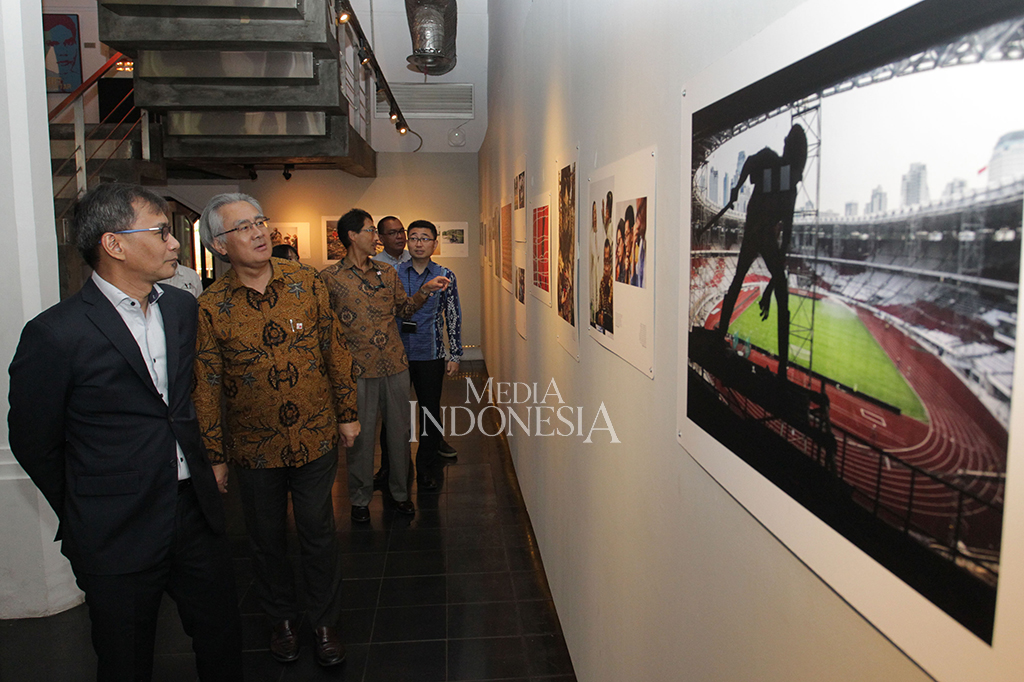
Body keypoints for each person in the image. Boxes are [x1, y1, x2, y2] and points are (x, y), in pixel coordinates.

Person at [8, 183, 242, 681]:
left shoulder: (182, 311)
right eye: (161, 232)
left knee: (222, 638)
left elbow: (183, 406)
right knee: (126, 656)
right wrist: (87, 507)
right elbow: (33, 440)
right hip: (115, 528)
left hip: (193, 511)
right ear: (114, 244)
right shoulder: (56, 333)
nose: (176, 243)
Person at [192, 193, 359, 667]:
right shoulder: (210, 307)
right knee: (265, 537)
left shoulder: (306, 283)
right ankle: (282, 620)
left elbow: (335, 347)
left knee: (317, 530)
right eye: (243, 227)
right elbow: (205, 385)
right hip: (253, 446)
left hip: (314, 433)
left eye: (260, 222)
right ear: (220, 246)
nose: (259, 232)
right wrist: (215, 455)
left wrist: (347, 412)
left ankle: (325, 622)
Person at [321, 209, 449, 521]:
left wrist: (424, 292)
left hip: (394, 364)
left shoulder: (386, 273)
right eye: (370, 231)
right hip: (358, 370)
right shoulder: (329, 279)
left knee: (399, 433)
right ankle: (360, 499)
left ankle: (400, 493)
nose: (376, 237)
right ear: (353, 236)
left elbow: (404, 310)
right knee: (361, 440)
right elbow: (325, 329)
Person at [714, 124, 808, 379]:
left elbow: (785, 238)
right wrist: (737, 186)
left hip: (762, 233)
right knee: (741, 283)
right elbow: (751, 163)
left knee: (743, 283)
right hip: (758, 230)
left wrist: (769, 290)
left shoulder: (789, 187)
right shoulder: (771, 160)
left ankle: (782, 370)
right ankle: (782, 371)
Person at [376, 220, 463, 491]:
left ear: (435, 243)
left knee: (429, 412)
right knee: (392, 415)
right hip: (396, 355)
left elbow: (453, 315)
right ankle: (389, 468)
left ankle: (426, 466)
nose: (418, 243)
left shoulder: (445, 274)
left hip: (431, 354)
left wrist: (455, 354)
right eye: (413, 238)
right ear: (406, 242)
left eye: (425, 238)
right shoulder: (392, 272)